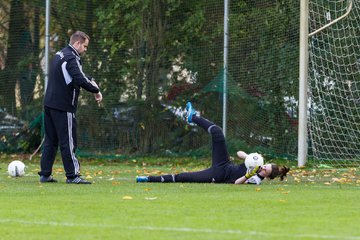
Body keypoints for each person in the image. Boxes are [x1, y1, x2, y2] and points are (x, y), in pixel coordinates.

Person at [136, 102, 290, 185]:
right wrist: (251, 157)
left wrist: (249, 174)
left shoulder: (256, 179)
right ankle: (193, 117)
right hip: (224, 164)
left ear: (267, 177)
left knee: (184, 177)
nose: (263, 168)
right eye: (265, 166)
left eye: (265, 171)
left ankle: (148, 179)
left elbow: (236, 183)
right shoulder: (256, 164)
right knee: (218, 133)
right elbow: (239, 154)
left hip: (219, 175)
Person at [38, 31, 102, 184]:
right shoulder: (72, 58)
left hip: (49, 104)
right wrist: (96, 91)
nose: (86, 49)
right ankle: (73, 175)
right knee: (68, 141)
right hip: (63, 106)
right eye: (85, 46)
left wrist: (91, 80)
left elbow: (77, 74)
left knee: (51, 140)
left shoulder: (60, 54)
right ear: (77, 43)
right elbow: (79, 78)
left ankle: (45, 174)